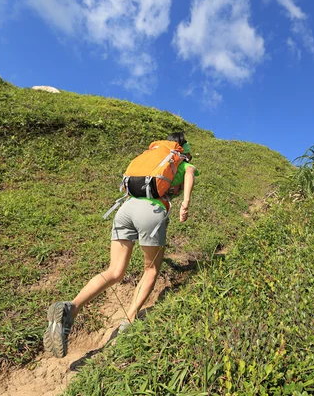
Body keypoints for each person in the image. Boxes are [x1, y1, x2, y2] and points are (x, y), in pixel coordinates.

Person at [43, 132, 198, 358]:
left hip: (126, 208)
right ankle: (130, 320)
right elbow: (190, 174)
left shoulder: (152, 154)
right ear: (182, 146)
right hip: (151, 212)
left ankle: (71, 308)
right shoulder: (180, 161)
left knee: (114, 271)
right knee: (151, 270)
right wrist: (185, 203)